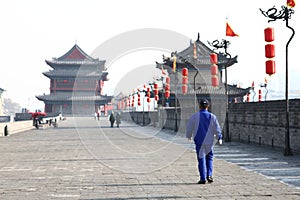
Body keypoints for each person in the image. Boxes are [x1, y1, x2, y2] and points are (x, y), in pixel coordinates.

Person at [186, 99, 222, 184]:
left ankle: (202, 178)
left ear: (199, 106)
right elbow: (216, 128)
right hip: (209, 141)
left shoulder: (194, 116)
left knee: (201, 159)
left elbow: (189, 127)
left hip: (199, 141)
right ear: (207, 106)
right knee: (209, 158)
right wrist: (219, 137)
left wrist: (189, 136)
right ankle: (209, 175)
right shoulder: (212, 116)